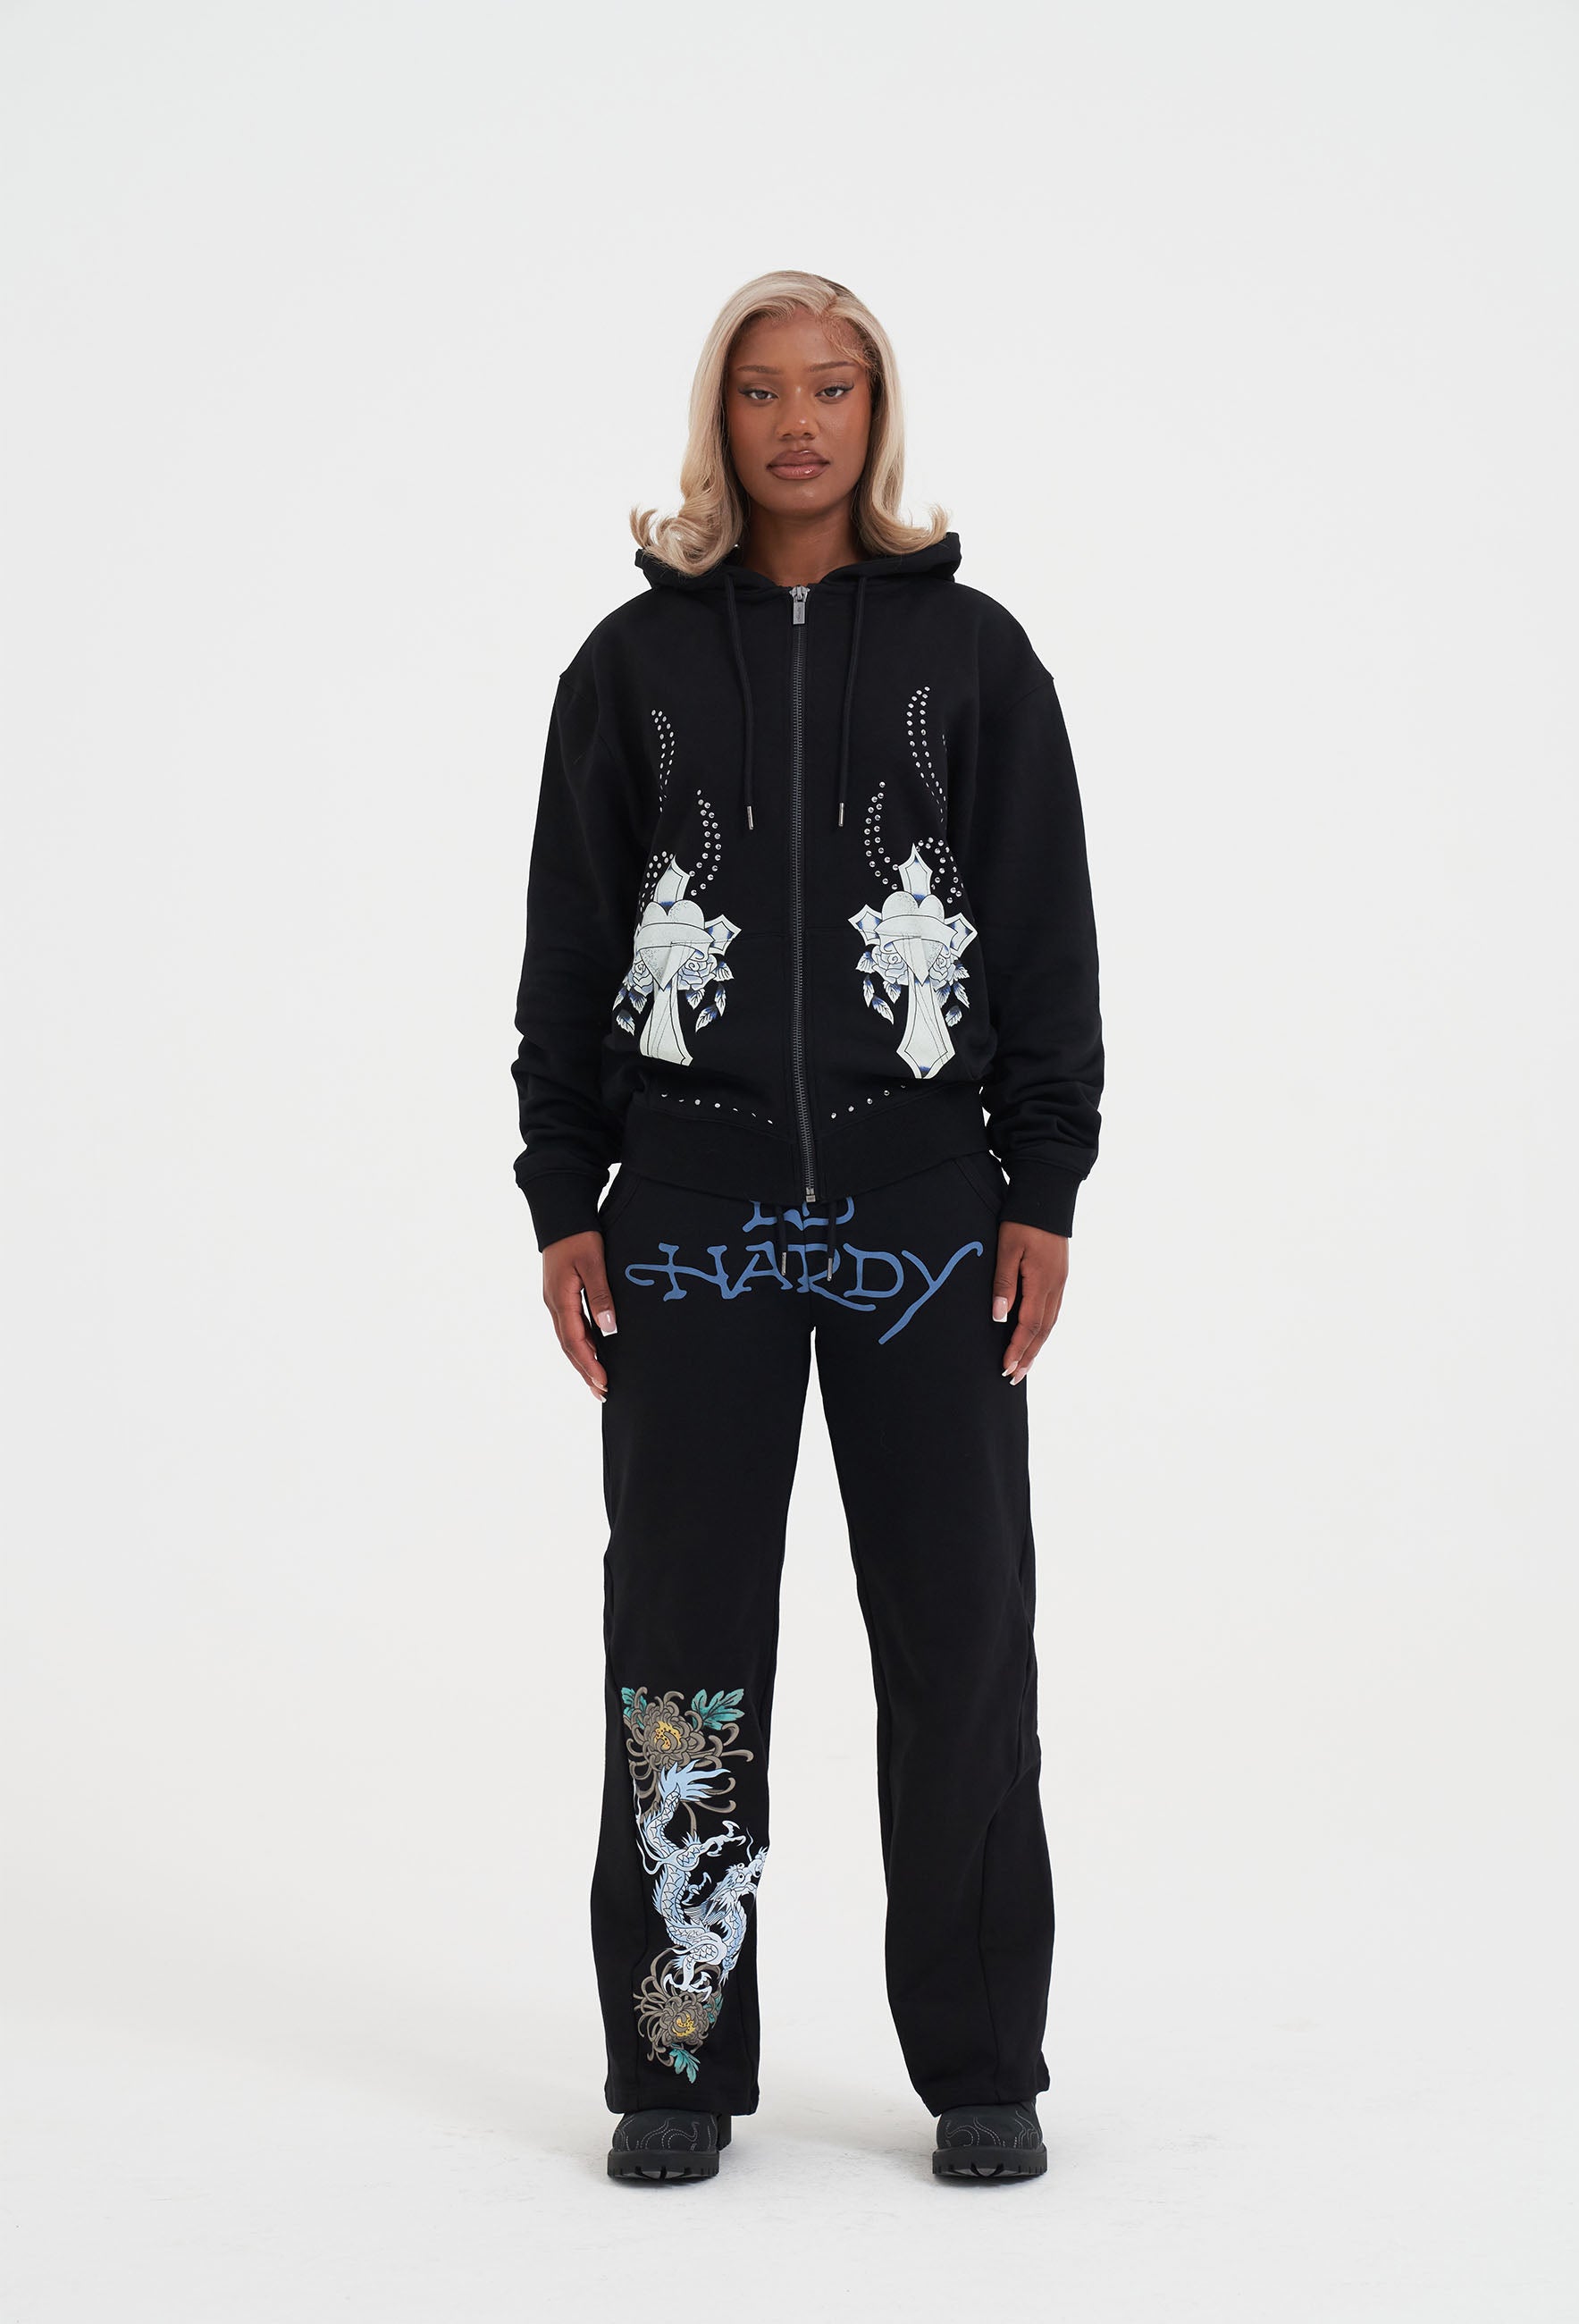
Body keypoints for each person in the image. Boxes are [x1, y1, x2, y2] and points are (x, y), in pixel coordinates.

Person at [509, 271, 1103, 2183]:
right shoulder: (629, 668)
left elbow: (1044, 932)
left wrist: (1041, 1186)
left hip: (923, 1202)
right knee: (682, 1650)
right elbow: (569, 949)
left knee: (961, 1637)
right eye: (763, 391)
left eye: (832, 387)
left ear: (876, 413)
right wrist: (563, 1196)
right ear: (721, 417)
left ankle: (983, 2063)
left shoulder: (975, 660)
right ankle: (675, 2062)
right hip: (687, 1206)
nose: (797, 422)